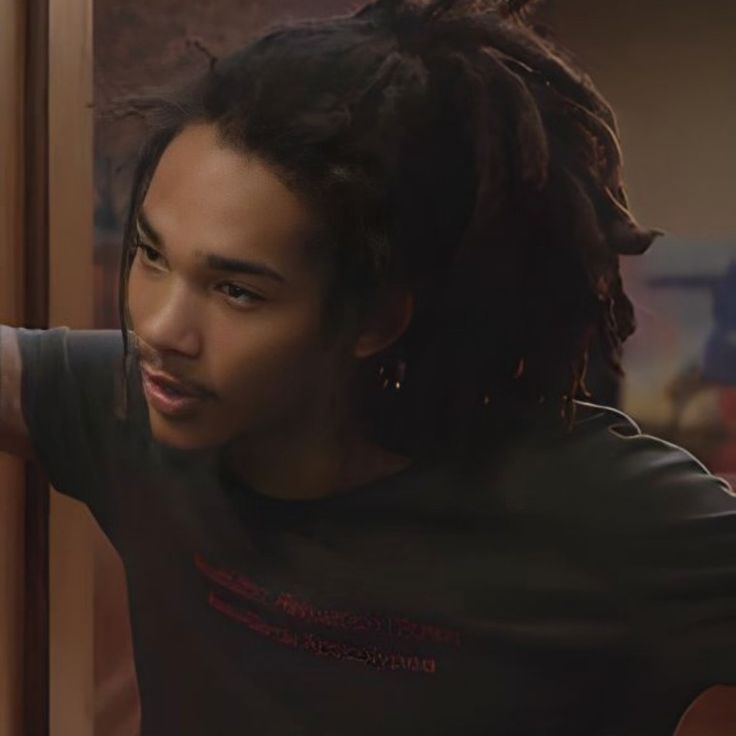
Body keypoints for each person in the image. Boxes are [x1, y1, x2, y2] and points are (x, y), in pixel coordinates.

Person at [1, 0, 734, 733]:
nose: (160, 328)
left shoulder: (595, 509)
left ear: (376, 318)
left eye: (236, 291)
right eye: (152, 255)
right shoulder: (137, 409)